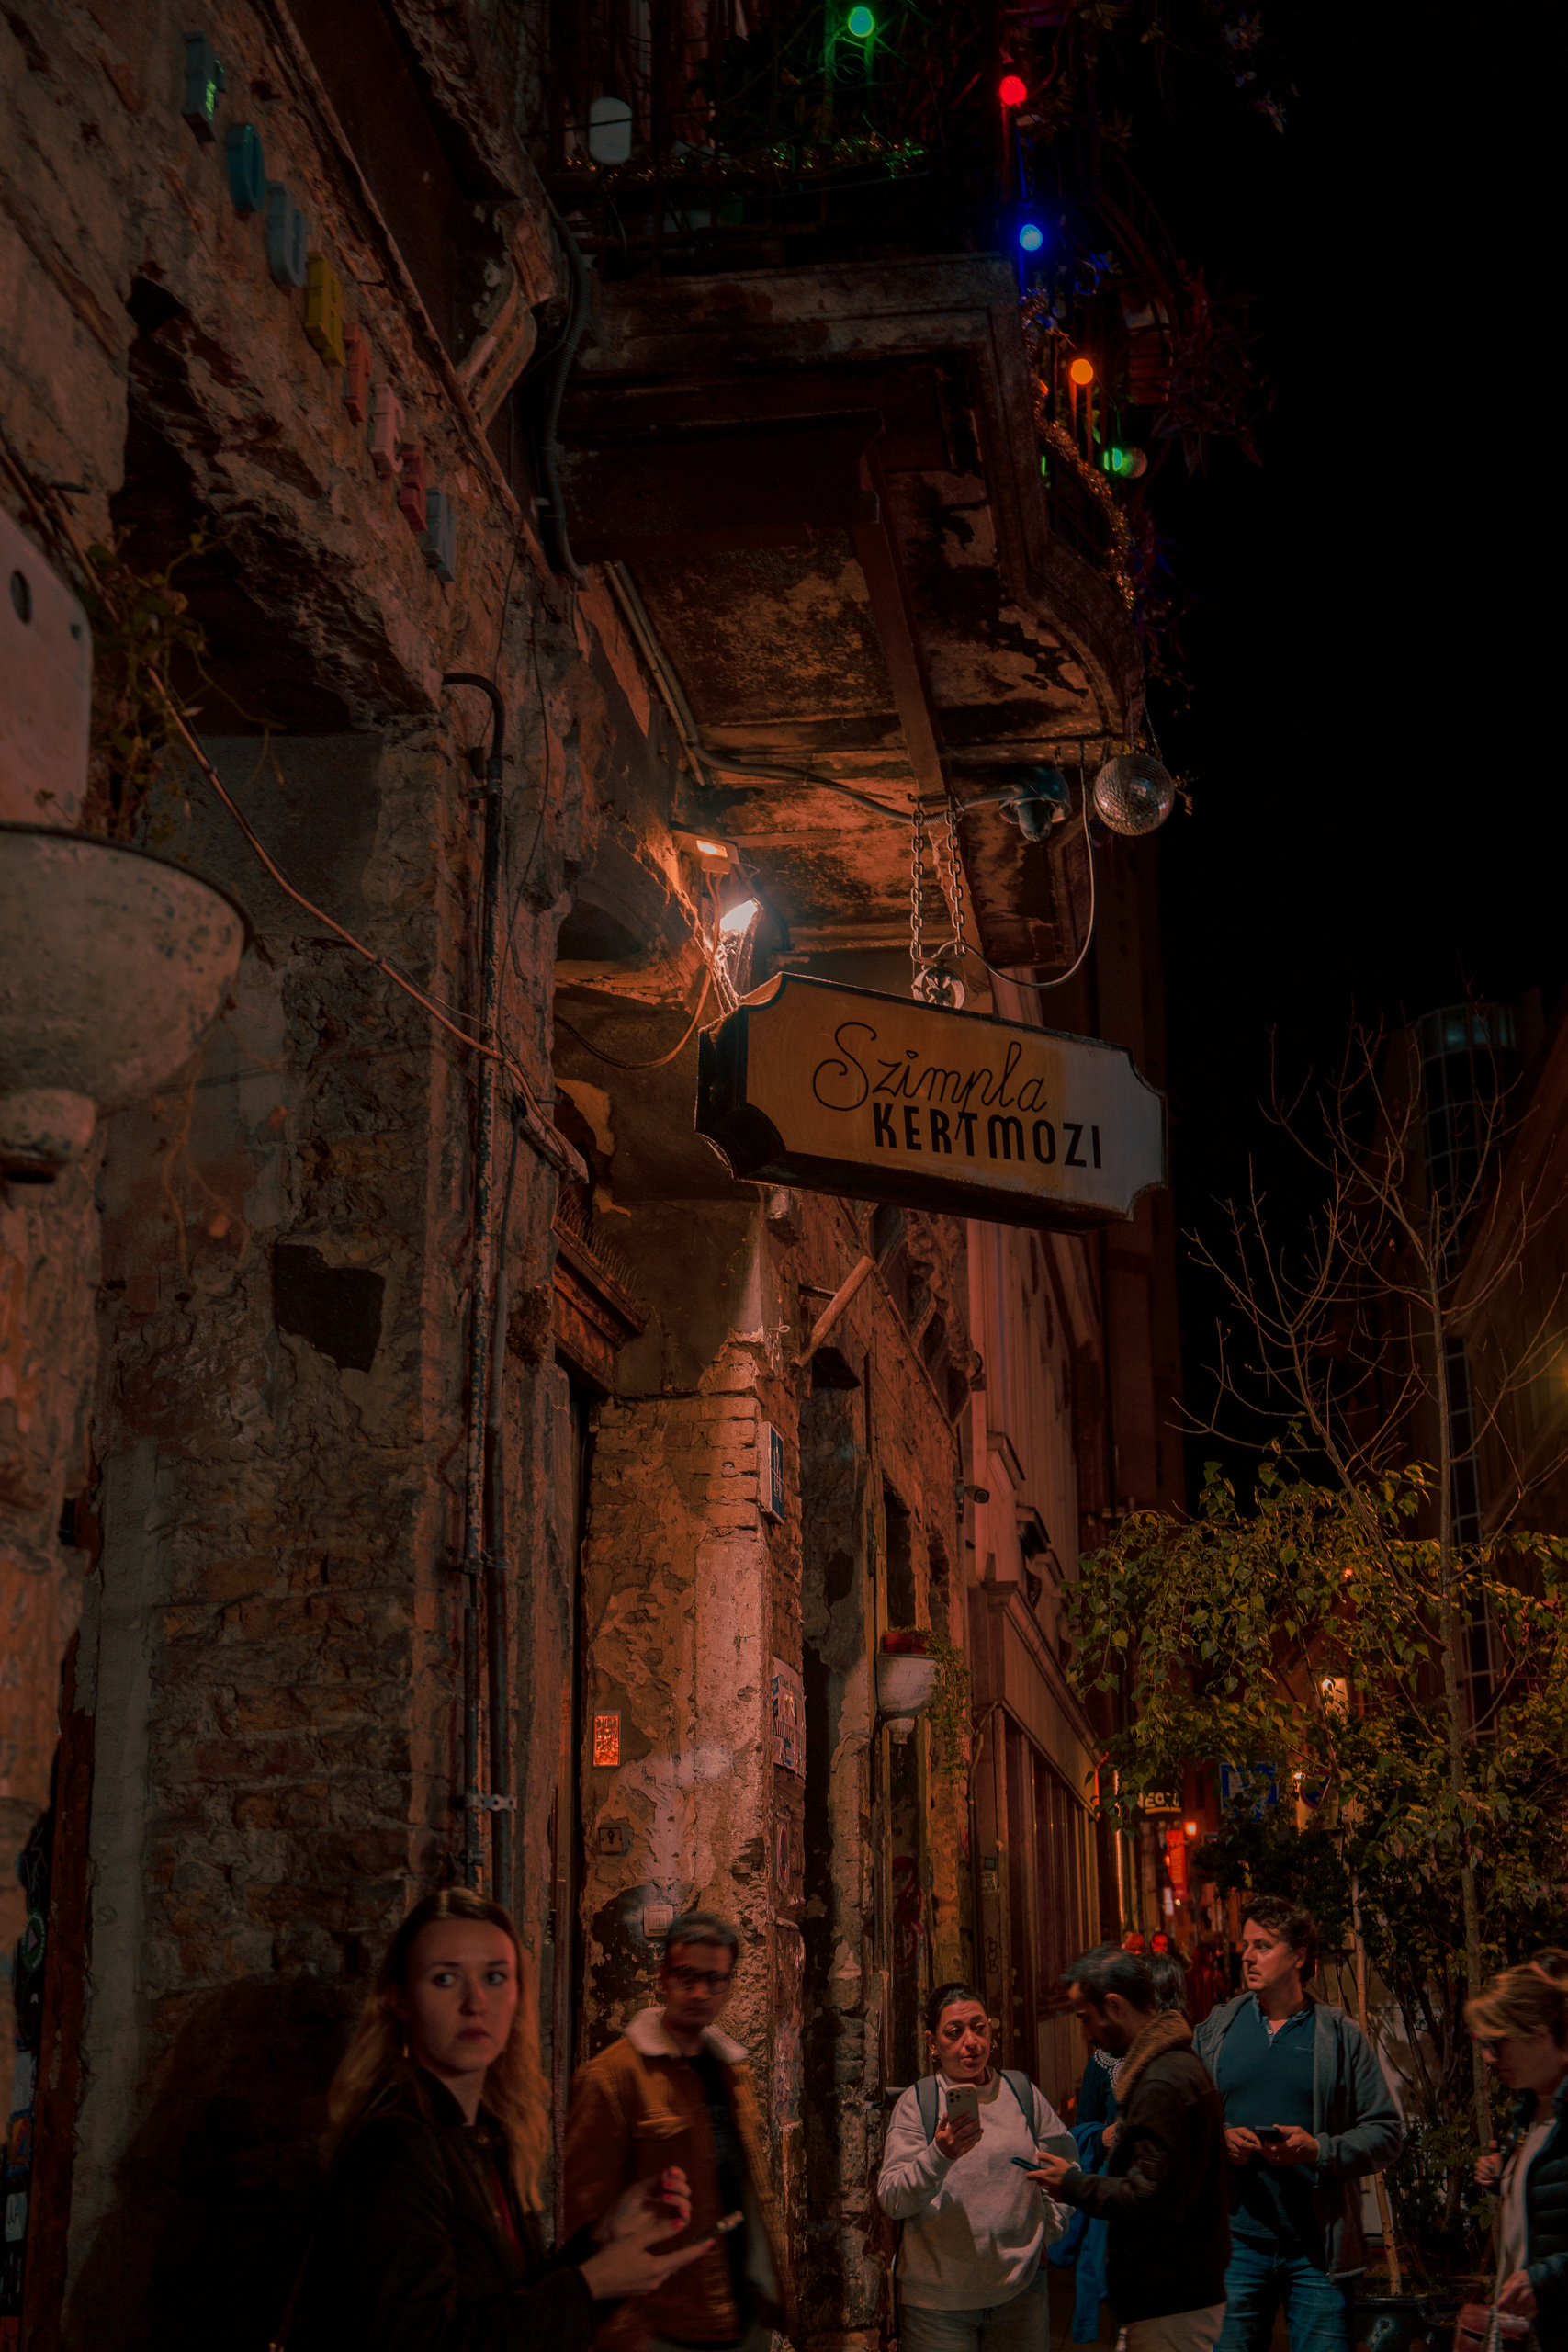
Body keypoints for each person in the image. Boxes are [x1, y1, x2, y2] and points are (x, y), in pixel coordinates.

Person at [286, 1888, 713, 2351]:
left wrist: (600, 2242)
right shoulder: (394, 2146)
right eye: (445, 1980)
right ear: (399, 2000)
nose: (475, 2002)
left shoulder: (484, 2134)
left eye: (494, 1977)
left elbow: (507, 2306)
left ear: (517, 1995)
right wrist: (588, 2284)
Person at [562, 1910, 794, 2352]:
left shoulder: (731, 2068)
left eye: (715, 1979)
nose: (700, 1992)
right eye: (686, 1976)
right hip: (664, 2328)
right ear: (662, 1977)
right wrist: (626, 2332)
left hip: (742, 2316)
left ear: (729, 1984)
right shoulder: (611, 2079)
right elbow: (585, 2222)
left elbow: (744, 2191)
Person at [1191, 1895, 1402, 2352]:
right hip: (1235, 2245)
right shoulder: (1216, 2029)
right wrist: (1219, 2138)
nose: (1246, 1956)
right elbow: (1187, 2121)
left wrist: (1318, 2150)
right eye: (1245, 1945)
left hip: (1316, 2253)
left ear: (1299, 1955)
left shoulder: (1339, 2035)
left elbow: (1386, 2133)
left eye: (1262, 1946)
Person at [1031, 1944, 1230, 2352]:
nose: (1085, 2034)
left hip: (1171, 2300)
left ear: (1115, 2005)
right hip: (1169, 2294)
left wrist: (1071, 2185)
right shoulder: (1169, 2066)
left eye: (1086, 2018)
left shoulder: (1162, 2082)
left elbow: (1149, 2196)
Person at [876, 1981, 1075, 2352]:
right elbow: (893, 2198)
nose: (972, 2042)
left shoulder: (1021, 2093)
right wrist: (940, 2155)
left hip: (1020, 2295)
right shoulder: (918, 2102)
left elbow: (1066, 2161)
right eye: (955, 2032)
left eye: (979, 2027)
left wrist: (1046, 2230)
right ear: (932, 2043)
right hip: (938, 2308)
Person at [1464, 1948, 1568, 2343]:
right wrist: (1504, 2175)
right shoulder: (1530, 2113)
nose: (1489, 2057)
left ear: (1539, 2034)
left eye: (1498, 2042)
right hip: (1525, 2331)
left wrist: (1545, 2280)